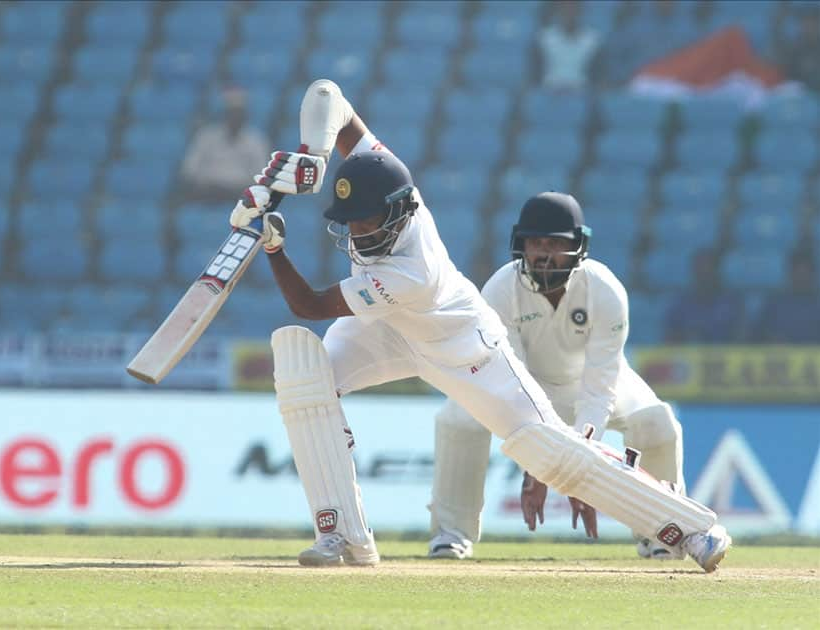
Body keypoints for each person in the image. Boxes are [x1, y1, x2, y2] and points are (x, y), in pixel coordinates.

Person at [225, 79, 730, 571]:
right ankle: (343, 535)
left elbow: (310, 305)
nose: (357, 232)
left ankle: (692, 525)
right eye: (349, 220)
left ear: (401, 213)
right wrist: (312, 156)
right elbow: (329, 97)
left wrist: (271, 244)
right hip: (386, 329)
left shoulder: (411, 271)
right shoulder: (391, 182)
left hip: (463, 346)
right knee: (304, 375)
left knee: (550, 450)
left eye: (367, 221)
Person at [427, 192, 690, 562]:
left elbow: (600, 390)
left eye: (555, 243)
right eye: (535, 243)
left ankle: (662, 533)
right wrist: (539, 467)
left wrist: (579, 472)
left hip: (592, 384)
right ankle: (450, 534)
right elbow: (510, 385)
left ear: (578, 247)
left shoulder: (605, 291)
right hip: (524, 387)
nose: (543, 253)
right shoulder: (501, 290)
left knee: (658, 423)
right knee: (457, 417)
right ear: (521, 246)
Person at [179, 87, 271, 203]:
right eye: (232, 113)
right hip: (208, 191)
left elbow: (260, 173)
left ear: (245, 115)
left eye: (239, 113)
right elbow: (190, 168)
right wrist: (202, 182)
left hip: (239, 193)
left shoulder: (256, 140)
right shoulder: (206, 136)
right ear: (225, 114)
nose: (235, 118)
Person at [663, 248, 746, 343]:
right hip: (689, 355)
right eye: (699, 270)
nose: (704, 274)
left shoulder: (733, 302)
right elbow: (669, 339)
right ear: (693, 273)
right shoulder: (680, 303)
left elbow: (742, 337)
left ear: (717, 271)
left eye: (708, 270)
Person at [752, 248, 820, 343]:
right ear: (789, 274)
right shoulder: (774, 303)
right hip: (780, 356)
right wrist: (770, 340)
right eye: (797, 273)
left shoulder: (817, 304)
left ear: (813, 275)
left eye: (805, 274)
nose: (801, 279)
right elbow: (756, 333)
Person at [533, 0, 603, 91]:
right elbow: (535, 74)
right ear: (558, 11)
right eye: (565, 8)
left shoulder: (593, 40)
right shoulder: (544, 38)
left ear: (581, 11)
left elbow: (598, 74)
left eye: (574, 8)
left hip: (581, 93)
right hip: (549, 91)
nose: (569, 12)